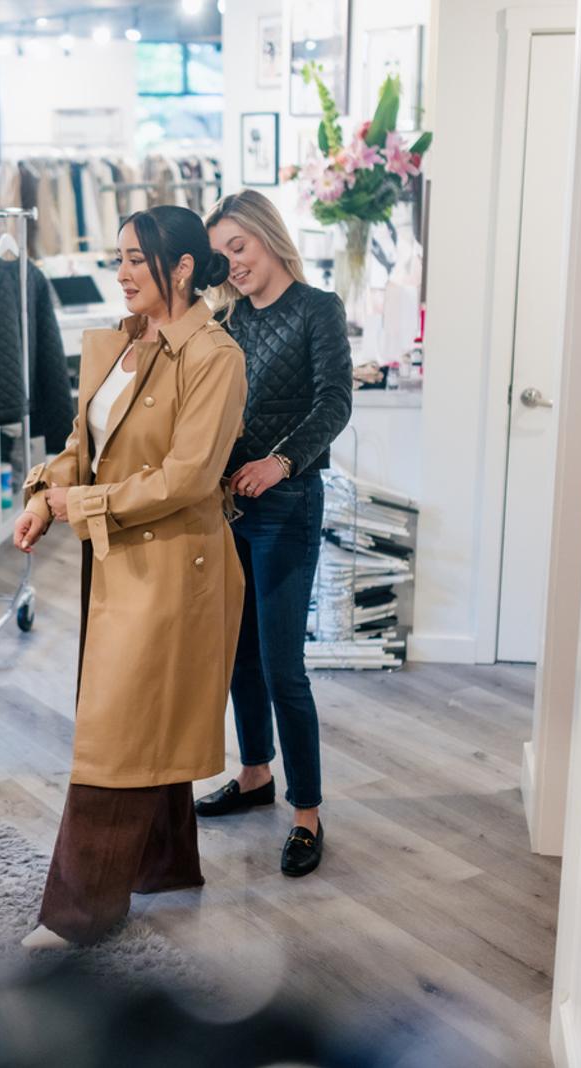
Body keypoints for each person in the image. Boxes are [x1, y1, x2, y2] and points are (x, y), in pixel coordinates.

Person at [12, 205, 245, 947]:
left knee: (120, 725)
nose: (119, 273)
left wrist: (73, 502)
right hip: (116, 556)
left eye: (136, 260)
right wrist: (47, 497)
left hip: (174, 566)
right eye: (118, 259)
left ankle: (80, 912)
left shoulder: (215, 357)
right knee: (145, 711)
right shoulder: (125, 342)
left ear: (181, 267)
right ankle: (166, 865)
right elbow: (89, 439)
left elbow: (185, 478)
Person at [196, 190, 352, 878]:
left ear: (267, 235)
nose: (233, 263)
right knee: (239, 657)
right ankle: (255, 773)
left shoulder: (319, 310)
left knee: (283, 665)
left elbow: (333, 403)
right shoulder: (225, 318)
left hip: (288, 504)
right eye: (221, 254)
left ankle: (308, 813)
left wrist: (281, 460)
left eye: (240, 247)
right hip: (228, 507)